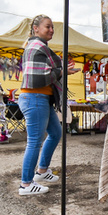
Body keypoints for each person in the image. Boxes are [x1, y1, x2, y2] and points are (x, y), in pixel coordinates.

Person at [17, 15, 79, 195]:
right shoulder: (37, 46)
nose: (51, 30)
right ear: (35, 28)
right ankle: (26, 185)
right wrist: (61, 71)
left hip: (40, 98)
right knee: (34, 142)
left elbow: (47, 72)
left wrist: (62, 71)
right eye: (47, 27)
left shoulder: (38, 47)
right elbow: (39, 77)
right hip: (34, 98)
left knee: (55, 132)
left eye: (52, 27)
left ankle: (42, 171)